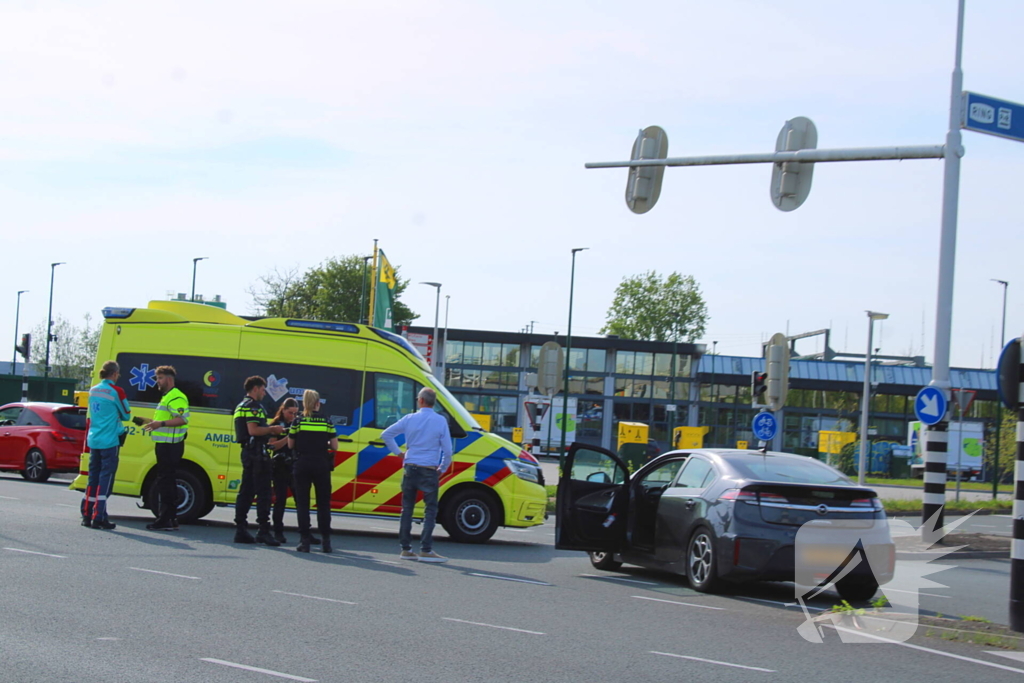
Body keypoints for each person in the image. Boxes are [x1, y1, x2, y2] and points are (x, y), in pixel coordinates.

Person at [381, 387, 453, 563]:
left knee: (407, 509)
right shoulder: (440, 421)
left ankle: (405, 549)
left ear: (420, 400)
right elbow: (448, 451)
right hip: (429, 469)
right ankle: (426, 549)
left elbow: (386, 434)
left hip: (410, 468)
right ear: (433, 402)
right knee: (430, 509)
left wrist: (399, 453)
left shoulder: (410, 418)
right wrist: (441, 469)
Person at [232, 376, 285, 546]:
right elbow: (253, 430)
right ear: (255, 389)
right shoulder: (254, 407)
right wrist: (272, 429)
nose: (264, 393)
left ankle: (240, 529)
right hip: (257, 454)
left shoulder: (241, 405)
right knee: (264, 493)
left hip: (248, 452)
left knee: (246, 492)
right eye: (263, 389)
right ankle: (263, 530)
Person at [81, 360, 131, 530]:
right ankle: (99, 516)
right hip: (110, 441)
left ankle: (87, 515)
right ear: (115, 374)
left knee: (92, 477)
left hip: (94, 439)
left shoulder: (93, 390)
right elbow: (126, 415)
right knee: (105, 479)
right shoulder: (117, 391)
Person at [287, 389, 339, 553]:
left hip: (302, 463)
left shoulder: (298, 422)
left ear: (304, 404)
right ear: (318, 403)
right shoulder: (326, 422)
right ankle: (326, 541)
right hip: (321, 464)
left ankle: (304, 541)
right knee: (323, 504)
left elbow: (290, 444)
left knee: (303, 504)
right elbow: (335, 446)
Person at [141, 365, 190, 531]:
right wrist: (151, 422)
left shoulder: (176, 397)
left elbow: (183, 419)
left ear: (169, 379)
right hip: (167, 444)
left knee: (166, 481)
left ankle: (165, 519)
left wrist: (160, 424)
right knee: (166, 481)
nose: (157, 382)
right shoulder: (168, 396)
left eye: (160, 378)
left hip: (171, 445)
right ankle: (171, 518)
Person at [268, 397, 299, 544]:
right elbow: (272, 446)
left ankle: (305, 532)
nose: (292, 416)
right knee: (280, 499)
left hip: (295, 465)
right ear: (283, 410)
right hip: (280, 465)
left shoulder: (297, 423)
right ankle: (278, 531)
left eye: (295, 413)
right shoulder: (276, 425)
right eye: (290, 413)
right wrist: (288, 436)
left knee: (301, 500)